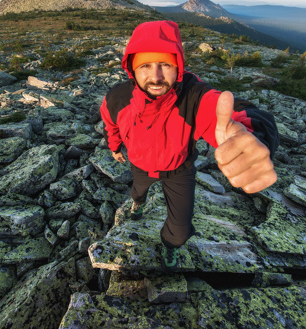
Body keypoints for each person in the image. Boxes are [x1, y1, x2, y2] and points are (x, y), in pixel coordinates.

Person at [100, 20, 279, 272]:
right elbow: (112, 125)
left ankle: (171, 246)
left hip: (179, 171)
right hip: (139, 165)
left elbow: (231, 113)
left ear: (179, 67)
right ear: (131, 67)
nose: (156, 76)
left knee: (180, 228)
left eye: (165, 65)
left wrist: (252, 135)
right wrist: (115, 146)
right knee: (138, 191)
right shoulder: (117, 97)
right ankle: (137, 204)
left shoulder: (193, 97)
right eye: (146, 65)